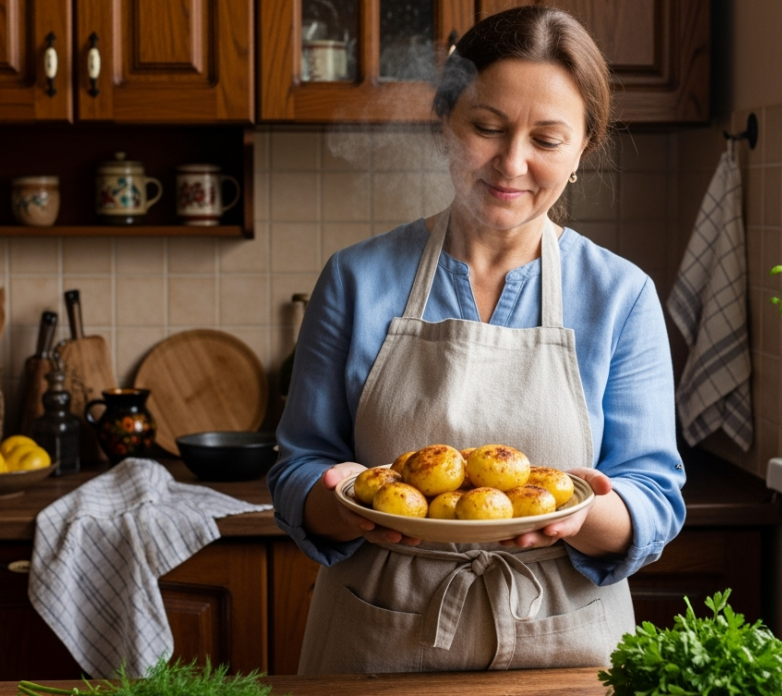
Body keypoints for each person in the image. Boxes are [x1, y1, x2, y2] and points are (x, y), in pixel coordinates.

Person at [266, 5, 686, 674]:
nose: (511, 162)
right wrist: (339, 500)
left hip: (565, 646)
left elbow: (656, 496)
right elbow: (296, 468)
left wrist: (586, 515)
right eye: (487, 128)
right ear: (445, 126)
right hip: (378, 643)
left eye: (547, 140)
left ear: (582, 149)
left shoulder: (620, 294)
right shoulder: (356, 278)